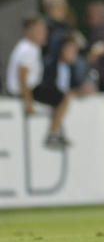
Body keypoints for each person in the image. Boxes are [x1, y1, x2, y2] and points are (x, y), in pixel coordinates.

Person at [5, 16, 71, 150]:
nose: (44, 34)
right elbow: (22, 76)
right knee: (63, 98)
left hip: (28, 88)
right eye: (40, 30)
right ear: (29, 31)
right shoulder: (29, 49)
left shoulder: (26, 47)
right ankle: (53, 134)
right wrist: (28, 102)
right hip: (27, 90)